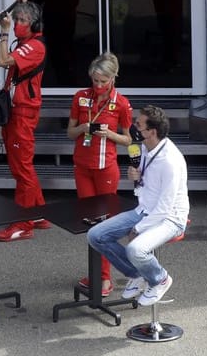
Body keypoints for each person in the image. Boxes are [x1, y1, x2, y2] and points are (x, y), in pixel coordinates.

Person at [87, 105, 190, 306]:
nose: (133, 126)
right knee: (95, 236)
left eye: (138, 124)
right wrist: (134, 175)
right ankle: (137, 274)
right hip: (144, 210)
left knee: (136, 249)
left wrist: (138, 228)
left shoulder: (170, 161)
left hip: (170, 217)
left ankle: (159, 278)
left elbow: (165, 207)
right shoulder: (145, 147)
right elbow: (145, 181)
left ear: (152, 132)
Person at [67, 52, 133, 297]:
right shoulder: (80, 97)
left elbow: (129, 140)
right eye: (95, 80)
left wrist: (110, 135)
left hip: (106, 168)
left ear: (114, 78)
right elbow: (70, 133)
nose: (98, 85)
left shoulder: (122, 103)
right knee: (89, 223)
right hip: (82, 167)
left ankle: (105, 278)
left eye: (103, 81)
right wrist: (84, 128)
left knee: (104, 224)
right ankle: (97, 273)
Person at [0, 0, 51, 242]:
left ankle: (23, 224)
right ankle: (37, 214)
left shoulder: (34, 46)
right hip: (17, 113)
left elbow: (2, 61)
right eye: (16, 19)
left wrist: (3, 33)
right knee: (21, 166)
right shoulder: (25, 42)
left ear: (34, 24)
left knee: (22, 168)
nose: (17, 23)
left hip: (23, 114)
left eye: (22, 20)